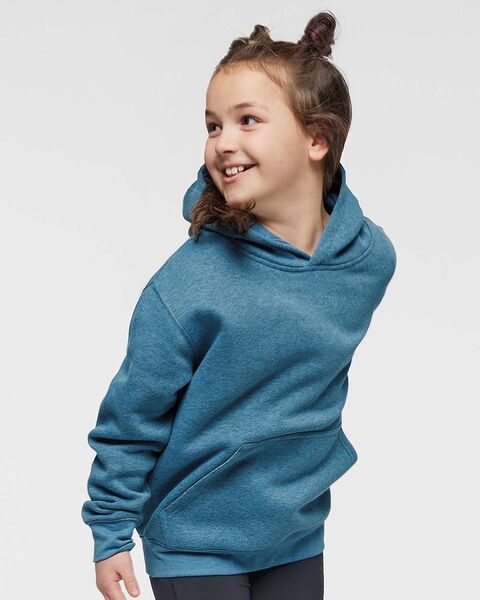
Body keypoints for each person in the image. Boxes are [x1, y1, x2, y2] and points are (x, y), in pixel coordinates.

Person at [81, 11, 397, 600]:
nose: (223, 141)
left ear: (317, 138)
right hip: (195, 540)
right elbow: (131, 419)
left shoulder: (367, 260)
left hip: (296, 533)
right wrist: (110, 532)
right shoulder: (187, 286)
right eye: (213, 125)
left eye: (247, 119)